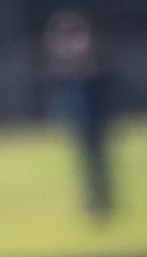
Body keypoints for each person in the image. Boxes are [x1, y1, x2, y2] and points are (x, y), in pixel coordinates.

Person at [42, 10, 113, 221]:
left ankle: (103, 199)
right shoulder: (67, 70)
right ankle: (94, 199)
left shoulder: (87, 61)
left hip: (93, 120)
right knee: (86, 162)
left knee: (97, 161)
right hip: (80, 121)